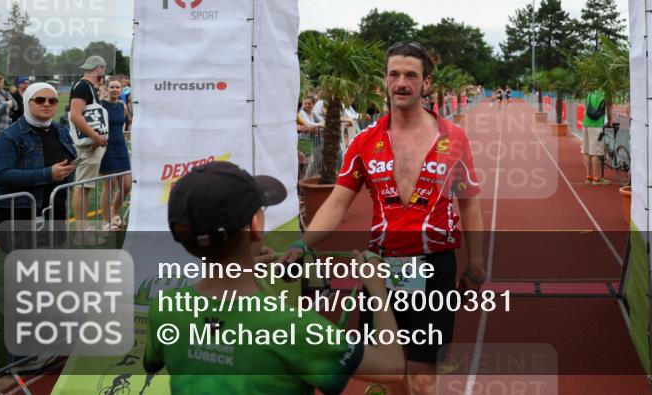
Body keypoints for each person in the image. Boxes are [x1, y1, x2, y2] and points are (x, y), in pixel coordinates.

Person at [280, 42, 485, 395]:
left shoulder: (454, 138)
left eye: (411, 75)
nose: (401, 83)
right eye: (394, 74)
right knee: (388, 374)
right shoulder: (364, 140)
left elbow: (469, 203)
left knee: (422, 376)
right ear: (385, 80)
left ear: (427, 83)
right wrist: (302, 243)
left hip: (435, 267)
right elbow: (337, 203)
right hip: (381, 269)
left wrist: (476, 263)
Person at [144, 161, 404, 393]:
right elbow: (391, 367)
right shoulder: (298, 329)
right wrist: (376, 287)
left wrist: (242, 271)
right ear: (256, 225)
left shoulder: (166, 307)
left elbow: (155, 361)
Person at [0, 82, 76, 243]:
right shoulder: (9, 136)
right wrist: (48, 174)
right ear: (27, 102)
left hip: (55, 210)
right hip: (19, 214)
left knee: (53, 256)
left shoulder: (61, 130)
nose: (47, 104)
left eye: (52, 100)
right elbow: (0, 176)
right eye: (40, 100)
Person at [69, 55, 109, 232]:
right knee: (82, 186)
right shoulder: (83, 86)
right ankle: (82, 226)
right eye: (103, 69)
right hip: (88, 145)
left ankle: (84, 225)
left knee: (85, 186)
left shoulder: (87, 87)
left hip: (91, 144)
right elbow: (75, 116)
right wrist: (96, 137)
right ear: (99, 68)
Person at [100, 79, 131, 230]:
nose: (114, 89)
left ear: (121, 89)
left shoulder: (122, 106)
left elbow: (124, 124)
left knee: (127, 185)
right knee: (109, 186)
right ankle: (106, 221)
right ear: (107, 88)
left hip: (121, 148)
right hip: (107, 149)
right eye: (112, 87)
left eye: (117, 87)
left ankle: (115, 213)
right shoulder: (101, 105)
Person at [582, 87, 611, 185]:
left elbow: (586, 108)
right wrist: (609, 122)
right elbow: (609, 111)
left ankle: (588, 178)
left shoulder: (589, 94)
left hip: (585, 125)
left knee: (587, 152)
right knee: (595, 153)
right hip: (596, 126)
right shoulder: (605, 95)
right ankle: (596, 179)